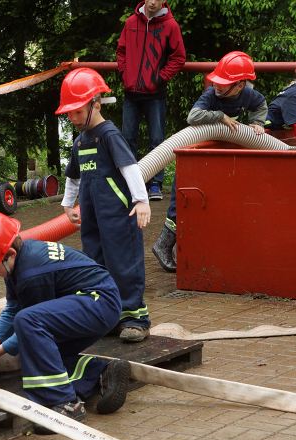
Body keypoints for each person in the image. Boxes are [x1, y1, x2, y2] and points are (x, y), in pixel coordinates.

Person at [0, 211, 131, 434]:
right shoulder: (18, 264)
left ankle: (66, 405)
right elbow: (12, 308)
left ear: (9, 254)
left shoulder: (32, 274)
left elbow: (28, 323)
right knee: (42, 355)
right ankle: (100, 373)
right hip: (93, 303)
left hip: (98, 303)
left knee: (29, 327)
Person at [57, 68, 152, 343]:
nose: (72, 118)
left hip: (119, 215)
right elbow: (73, 176)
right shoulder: (79, 142)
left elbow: (130, 168)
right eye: (69, 113)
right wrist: (67, 204)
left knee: (123, 263)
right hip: (93, 219)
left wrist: (141, 200)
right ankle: (108, 316)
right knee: (95, 264)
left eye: (77, 111)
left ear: (95, 104)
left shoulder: (109, 135)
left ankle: (135, 318)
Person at [153, 51, 267, 272]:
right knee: (182, 195)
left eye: (224, 84)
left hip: (216, 151)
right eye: (217, 81)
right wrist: (219, 116)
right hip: (195, 150)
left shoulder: (249, 95)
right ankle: (163, 244)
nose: (218, 86)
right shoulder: (211, 95)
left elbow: (260, 105)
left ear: (240, 85)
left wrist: (257, 123)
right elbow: (192, 117)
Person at [117, 0, 186, 201]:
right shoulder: (131, 22)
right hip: (131, 92)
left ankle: (155, 184)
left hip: (155, 93)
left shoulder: (170, 25)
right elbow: (121, 51)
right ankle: (130, 183)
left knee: (157, 139)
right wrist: (125, 73)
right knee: (127, 139)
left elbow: (178, 57)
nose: (153, 2)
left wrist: (160, 78)